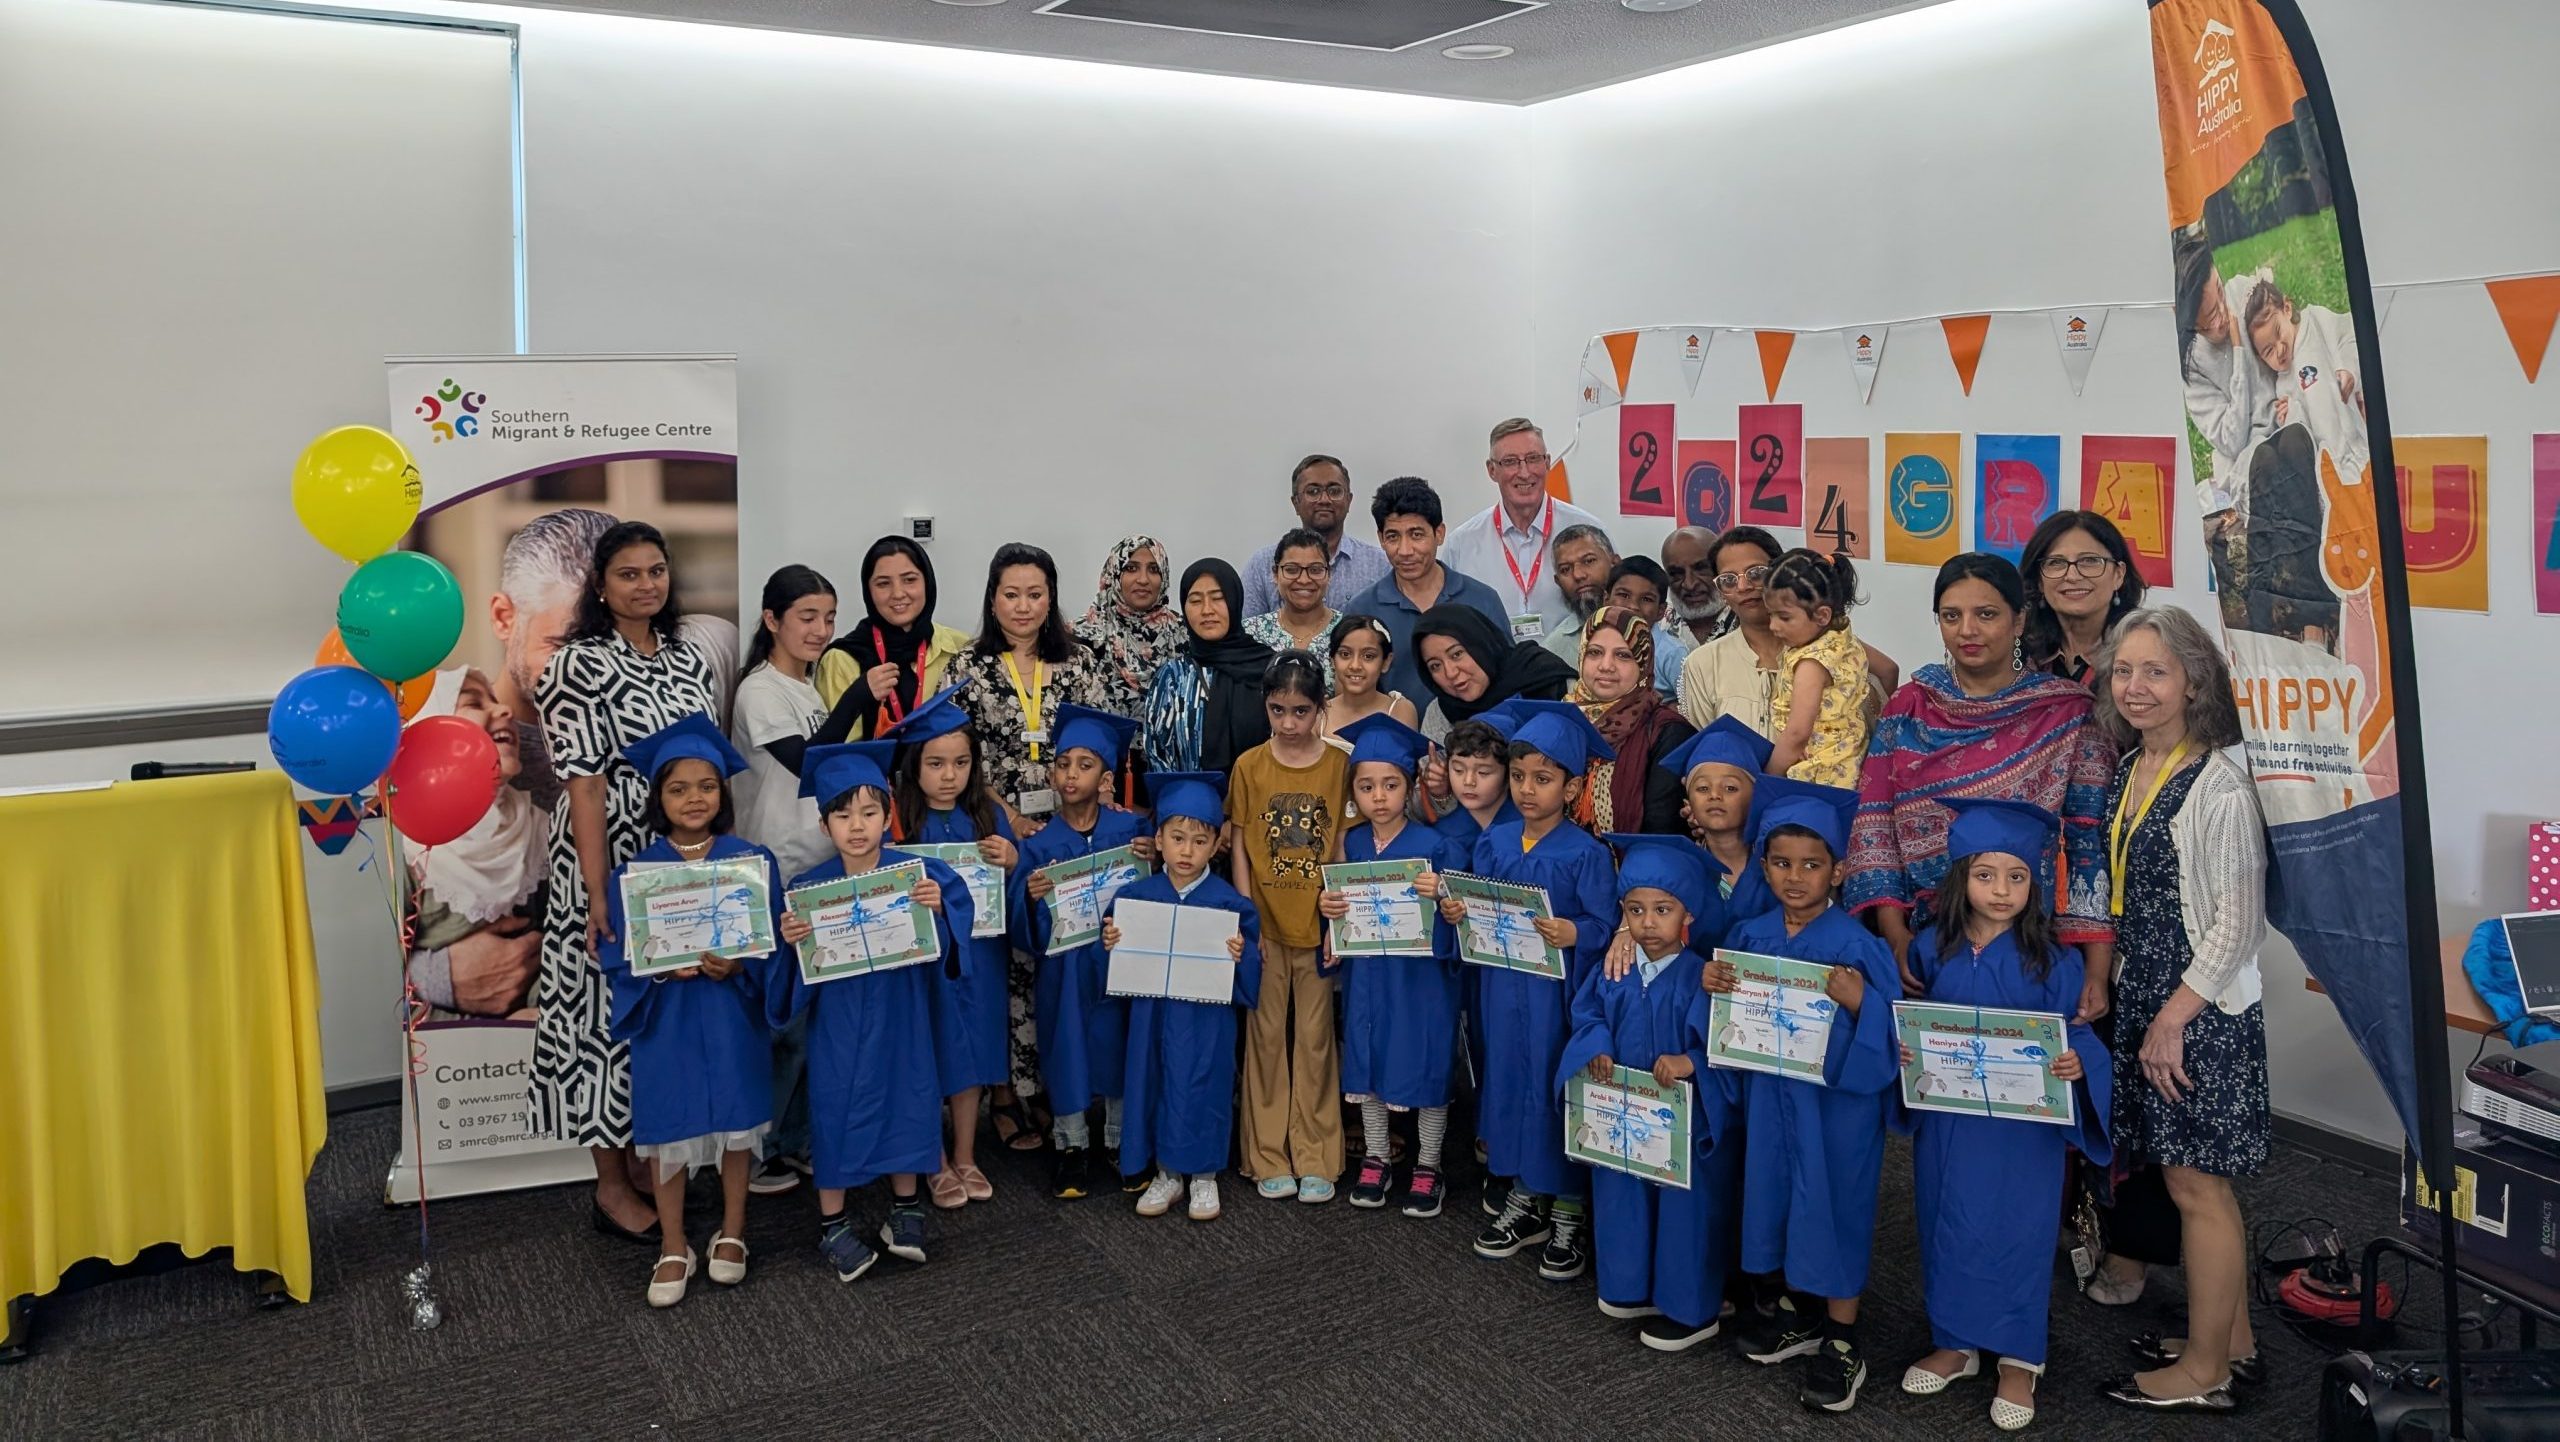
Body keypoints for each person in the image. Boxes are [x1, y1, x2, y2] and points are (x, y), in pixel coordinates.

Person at [2090, 607, 2270, 1416]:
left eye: (2155, 671)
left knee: (2198, 1188)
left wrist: (2171, 1019)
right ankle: (2232, 1343)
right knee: (2190, 1180)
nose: (2135, 687)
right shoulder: (2137, 765)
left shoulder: (2219, 784)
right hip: (2151, 995)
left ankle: (2205, 1372)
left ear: (2195, 681)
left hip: (2197, 1008)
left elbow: (2237, 925)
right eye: (2124, 670)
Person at [529, 520, 720, 1242]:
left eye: (655, 571)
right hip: (602, 862)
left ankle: (649, 1165)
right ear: (601, 588)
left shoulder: (688, 659)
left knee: (663, 1021)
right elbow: (583, 785)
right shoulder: (576, 665)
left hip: (676, 862)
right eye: (629, 574)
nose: (646, 584)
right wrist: (598, 892)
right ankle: (610, 1185)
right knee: (600, 1026)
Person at [1896, 799, 2113, 1431]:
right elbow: (1916, 1026)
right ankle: (1956, 1342)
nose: (2001, 890)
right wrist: (1907, 1050)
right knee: (1948, 1221)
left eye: (2017, 877)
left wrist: (2077, 1064)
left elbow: (2080, 1040)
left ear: (2035, 885)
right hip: (1951, 1126)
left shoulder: (2055, 962)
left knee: (2018, 1232)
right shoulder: (1932, 952)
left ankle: (2020, 1360)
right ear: (1959, 878)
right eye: (1986, 875)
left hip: (2023, 1135)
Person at [1707, 778, 1899, 1414]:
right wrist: (1714, 983)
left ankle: (1843, 1339)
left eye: (1812, 865)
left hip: (1835, 1112)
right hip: (1770, 1099)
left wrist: (1862, 1002)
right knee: (1775, 1196)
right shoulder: (1751, 935)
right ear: (1764, 866)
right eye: (1782, 864)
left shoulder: (1857, 945)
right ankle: (1798, 1312)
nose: (1796, 877)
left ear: (1838, 871)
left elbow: (1897, 1034)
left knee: (1834, 1205)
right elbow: (1725, 1027)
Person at [1847, 553, 2117, 999]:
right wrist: (1896, 938)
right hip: (1926, 948)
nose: (1967, 630)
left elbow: (2086, 841)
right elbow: (1874, 825)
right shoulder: (1908, 708)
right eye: (1951, 616)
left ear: (2018, 621)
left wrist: (2094, 967)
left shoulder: (2068, 714)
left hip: (2032, 955)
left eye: (1986, 614)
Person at [767, 740, 976, 1279]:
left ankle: (905, 1207)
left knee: (908, 1098)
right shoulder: (809, 890)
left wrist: (938, 911)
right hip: (838, 1020)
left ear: (888, 816)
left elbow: (957, 928)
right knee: (836, 1104)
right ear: (824, 825)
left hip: (903, 1013)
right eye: (842, 815)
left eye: (868, 812)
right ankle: (832, 1223)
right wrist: (792, 939)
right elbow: (791, 975)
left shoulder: (918, 874)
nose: (856, 825)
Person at [593, 715, 776, 1307]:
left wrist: (741, 966)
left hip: (729, 1015)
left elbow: (772, 942)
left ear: (723, 793)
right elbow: (617, 951)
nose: (694, 798)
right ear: (658, 798)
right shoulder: (636, 875)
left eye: (706, 786)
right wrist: (655, 964)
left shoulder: (751, 863)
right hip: (667, 1020)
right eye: (678, 788)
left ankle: (734, 1230)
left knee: (737, 1124)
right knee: (669, 1128)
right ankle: (674, 1243)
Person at [1441, 700, 1618, 1282]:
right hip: (1500, 989)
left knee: (1549, 1089)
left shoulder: (1586, 854)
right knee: (1508, 1084)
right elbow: (1480, 908)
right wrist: (1458, 910)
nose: (1526, 789)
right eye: (1518, 776)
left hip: (1555, 999)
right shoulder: (1496, 841)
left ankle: (1565, 1205)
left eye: (1542, 779)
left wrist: (1574, 932)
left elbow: (1604, 927)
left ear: (1571, 787)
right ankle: (1523, 1192)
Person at [948, 543, 1112, 1132]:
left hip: (1070, 825)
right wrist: (1008, 819)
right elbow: (959, 757)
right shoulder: (967, 667)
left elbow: (1101, 750)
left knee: (1059, 954)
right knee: (1004, 960)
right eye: (1011, 594)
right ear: (993, 598)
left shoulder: (1081, 663)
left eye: (1035, 594)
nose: (1023, 606)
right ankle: (1003, 1094)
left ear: (1052, 598)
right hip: (997, 830)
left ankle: (1052, 1085)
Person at [1561, 834, 1737, 1353]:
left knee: (1684, 1209)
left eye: (1663, 910)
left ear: (1688, 913)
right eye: (1635, 910)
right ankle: (1631, 1286)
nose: (1648, 923)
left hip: (1686, 1122)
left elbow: (1729, 1045)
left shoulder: (1701, 978)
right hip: (1623, 1112)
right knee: (1624, 1192)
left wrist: (1691, 1062)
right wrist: (1595, 1044)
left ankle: (1691, 1310)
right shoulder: (1613, 970)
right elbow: (1586, 1011)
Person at [727, 564, 847, 1194]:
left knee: (812, 1023)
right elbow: (808, 764)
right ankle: (761, 1151)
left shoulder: (808, 687)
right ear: (771, 620)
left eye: (829, 617)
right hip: (775, 870)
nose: (821, 630)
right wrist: (861, 698)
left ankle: (793, 1140)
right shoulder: (759, 691)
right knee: (782, 1025)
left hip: (817, 864)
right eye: (807, 617)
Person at [883, 684, 1019, 1209]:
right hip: (923, 961)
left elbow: (1016, 893)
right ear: (914, 766)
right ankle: (933, 1161)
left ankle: (965, 1154)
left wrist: (1013, 861)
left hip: (979, 958)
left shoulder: (988, 818)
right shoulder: (899, 822)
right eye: (936, 763)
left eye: (961, 763)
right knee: (928, 1053)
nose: (949, 776)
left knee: (973, 1051)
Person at [1318, 714, 1459, 1218]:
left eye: (1392, 785)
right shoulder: (1350, 845)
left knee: (1424, 1062)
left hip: (1418, 981)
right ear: (1354, 791)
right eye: (1368, 786)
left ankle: (1428, 1163)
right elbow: (1337, 905)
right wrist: (1329, 914)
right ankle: (1376, 1155)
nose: (1380, 796)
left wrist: (1442, 892)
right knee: (1369, 1062)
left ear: (1411, 786)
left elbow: (1456, 919)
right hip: (1366, 979)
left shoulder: (1433, 846)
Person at [1106, 771, 1262, 1224]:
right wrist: (1112, 942)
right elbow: (1114, 970)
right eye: (1177, 838)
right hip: (1153, 1014)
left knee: (1203, 1083)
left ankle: (1204, 1174)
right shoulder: (1135, 898)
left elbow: (1251, 965)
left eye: (1199, 841)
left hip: (1205, 1018)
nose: (1187, 850)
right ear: (1158, 840)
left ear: (1216, 846)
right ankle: (1167, 1173)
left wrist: (1241, 955)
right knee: (1154, 1080)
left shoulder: (1228, 903)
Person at [1011, 704, 1152, 1200]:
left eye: (1085, 765)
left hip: (1118, 961)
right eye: (1063, 763)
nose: (1071, 775)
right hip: (1066, 971)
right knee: (1066, 1045)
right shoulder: (1038, 845)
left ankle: (1119, 1141)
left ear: (1106, 776)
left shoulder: (1131, 836)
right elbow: (1024, 931)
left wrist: (1150, 863)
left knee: (1119, 1040)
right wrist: (1028, 897)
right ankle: (1071, 1147)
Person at [1228, 652, 1353, 1202]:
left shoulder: (1337, 766)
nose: (1288, 724)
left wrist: (1340, 922)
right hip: (1266, 927)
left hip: (1318, 923)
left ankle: (1317, 1154)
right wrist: (1244, 912)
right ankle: (1266, 1155)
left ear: (1320, 708)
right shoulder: (1250, 765)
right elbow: (1238, 845)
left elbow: (1344, 845)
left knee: (1317, 1041)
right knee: (1265, 1038)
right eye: (1278, 710)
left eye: (1301, 711)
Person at [402, 667, 545, 1020]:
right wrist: (439, 978)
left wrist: (541, 1010)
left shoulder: (542, 828)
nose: (504, 711)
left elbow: (563, 936)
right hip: (440, 1055)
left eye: (496, 701)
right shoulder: (406, 847)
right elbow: (369, 971)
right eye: (473, 702)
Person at [1678, 526, 1896, 737]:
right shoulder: (1703, 664)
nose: (1743, 587)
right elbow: (1705, 749)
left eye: (1756, 573)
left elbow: (1888, 671)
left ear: (1780, 575)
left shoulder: (1830, 648)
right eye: (1728, 580)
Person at [1442, 418, 1607, 645]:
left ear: (1547, 462)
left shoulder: (1589, 531)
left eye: (1533, 459)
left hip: (1570, 672)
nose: (1524, 472)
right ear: (1492, 470)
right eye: (1510, 462)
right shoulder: (1462, 544)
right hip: (1494, 675)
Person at [1355, 476, 1510, 704]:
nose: (1405, 550)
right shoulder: (1362, 610)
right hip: (1397, 736)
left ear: (1439, 534)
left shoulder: (1481, 599)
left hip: (1479, 734)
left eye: (1416, 535)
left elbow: (1509, 676)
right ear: (1380, 539)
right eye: (1393, 537)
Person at [815, 536, 971, 736]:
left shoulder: (959, 647)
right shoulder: (843, 659)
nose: (897, 593)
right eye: (883, 584)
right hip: (871, 767)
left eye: (909, 580)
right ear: (868, 591)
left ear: (928, 582)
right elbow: (842, 750)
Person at [1142, 558, 1277, 775]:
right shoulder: (1173, 677)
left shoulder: (1272, 669)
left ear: (1234, 601)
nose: (1207, 610)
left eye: (1218, 598)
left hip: (1265, 802)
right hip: (1191, 804)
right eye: (1195, 601)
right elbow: (1158, 754)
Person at [1567, 607, 1694, 836]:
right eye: (1594, 652)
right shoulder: (1564, 717)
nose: (1606, 665)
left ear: (1643, 663)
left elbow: (1661, 825)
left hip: (1636, 866)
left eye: (1623, 655)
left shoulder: (1668, 732)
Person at [1762, 549, 1873, 788]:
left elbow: (1797, 734)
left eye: (1784, 617)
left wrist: (1769, 778)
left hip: (1817, 773)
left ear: (1822, 615)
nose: (1772, 626)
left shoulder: (1811, 664)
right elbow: (1889, 670)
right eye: (1770, 615)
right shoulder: (1842, 636)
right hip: (1848, 759)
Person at [1241, 453, 1391, 619]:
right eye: (1313, 491)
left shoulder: (1380, 565)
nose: (1324, 499)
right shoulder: (1262, 564)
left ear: (1349, 500)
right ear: (1295, 503)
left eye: (1334, 491)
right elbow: (1245, 635)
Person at [1411, 603, 1577, 744]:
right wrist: (1438, 780)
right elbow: (1429, 768)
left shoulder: (1547, 678)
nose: (1450, 672)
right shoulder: (1441, 712)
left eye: (1457, 654)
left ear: (1481, 645)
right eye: (1435, 666)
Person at [2020, 511, 2148, 685]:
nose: (2072, 576)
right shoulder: (2017, 653)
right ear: (2039, 582)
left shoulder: (2149, 648)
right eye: (2056, 563)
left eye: (2089, 560)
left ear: (2119, 575)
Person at [1071, 534, 1184, 720]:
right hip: (1101, 747)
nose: (1143, 579)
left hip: (1169, 748)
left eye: (1154, 569)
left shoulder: (1185, 635)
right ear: (1114, 573)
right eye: (1131, 568)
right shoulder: (1081, 636)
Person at [1243, 528, 1344, 691]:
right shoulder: (1250, 634)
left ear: (1329, 574)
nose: (1304, 580)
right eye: (1291, 570)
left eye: (1315, 570)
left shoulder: (1348, 633)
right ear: (1275, 575)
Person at [1318, 614, 1418, 743]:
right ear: (1332, 661)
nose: (1355, 666)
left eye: (1368, 656)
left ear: (1386, 662)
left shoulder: (1399, 710)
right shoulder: (1319, 714)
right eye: (1345, 654)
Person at [1603, 555, 1686, 700]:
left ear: (1661, 611)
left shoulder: (1672, 653)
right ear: (1606, 600)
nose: (1633, 606)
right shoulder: (1595, 643)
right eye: (1624, 595)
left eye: (1646, 599)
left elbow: (1693, 709)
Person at [1538, 523, 1621, 669]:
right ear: (1558, 582)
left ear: (1615, 563)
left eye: (1589, 561)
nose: (1578, 575)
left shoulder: (1651, 620)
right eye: (1565, 569)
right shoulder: (1553, 651)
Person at [1657, 524, 1728, 657]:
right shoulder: (1658, 627)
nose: (1689, 584)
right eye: (1677, 574)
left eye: (1701, 569)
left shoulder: (1749, 623)